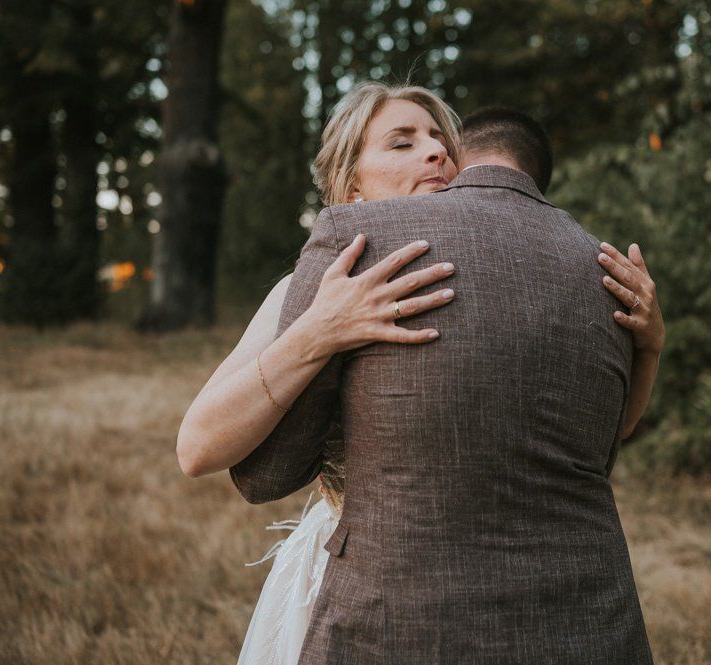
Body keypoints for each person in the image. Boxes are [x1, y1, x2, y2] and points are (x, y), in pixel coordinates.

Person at [220, 81, 662, 663]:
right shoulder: (593, 262)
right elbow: (602, 448)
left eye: (439, 140)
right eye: (401, 143)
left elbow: (266, 476)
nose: (433, 153)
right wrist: (320, 328)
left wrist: (652, 345)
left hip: (398, 609)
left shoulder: (402, 252)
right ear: (351, 186)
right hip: (584, 616)